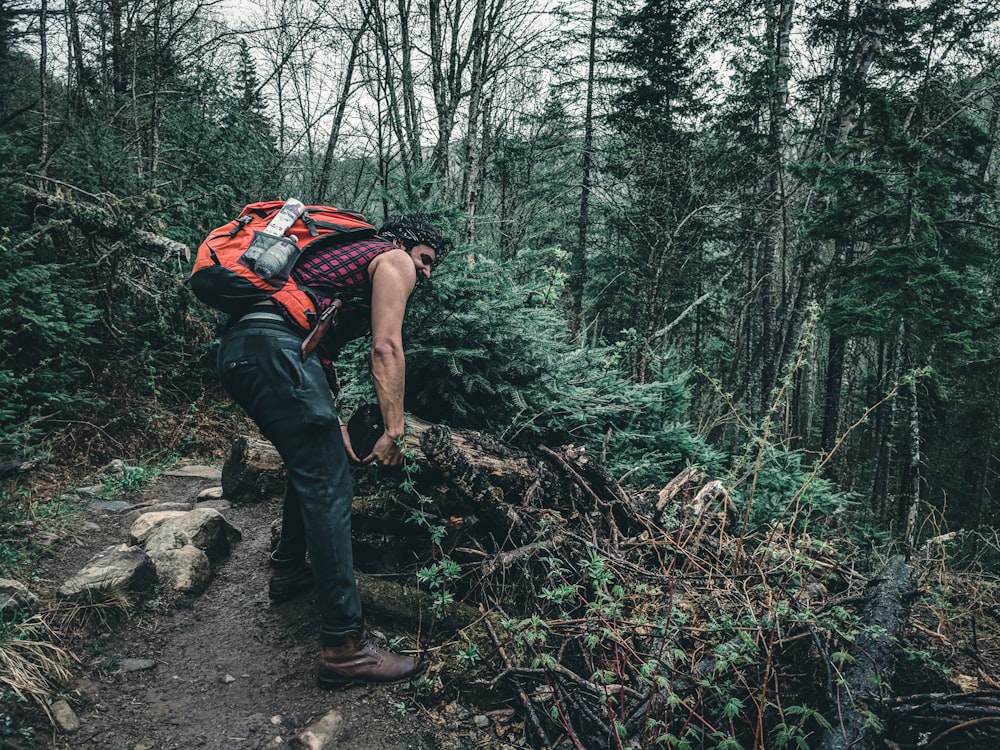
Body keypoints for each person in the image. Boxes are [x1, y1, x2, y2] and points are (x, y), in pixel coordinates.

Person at [216, 213, 450, 688]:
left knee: (316, 466)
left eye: (428, 266)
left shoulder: (340, 263)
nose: (425, 272)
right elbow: (386, 347)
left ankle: (287, 570)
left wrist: (330, 414)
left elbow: (314, 339)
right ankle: (345, 647)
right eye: (425, 260)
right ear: (405, 244)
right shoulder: (392, 258)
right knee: (329, 486)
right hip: (275, 351)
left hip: (246, 351)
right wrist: (394, 430)